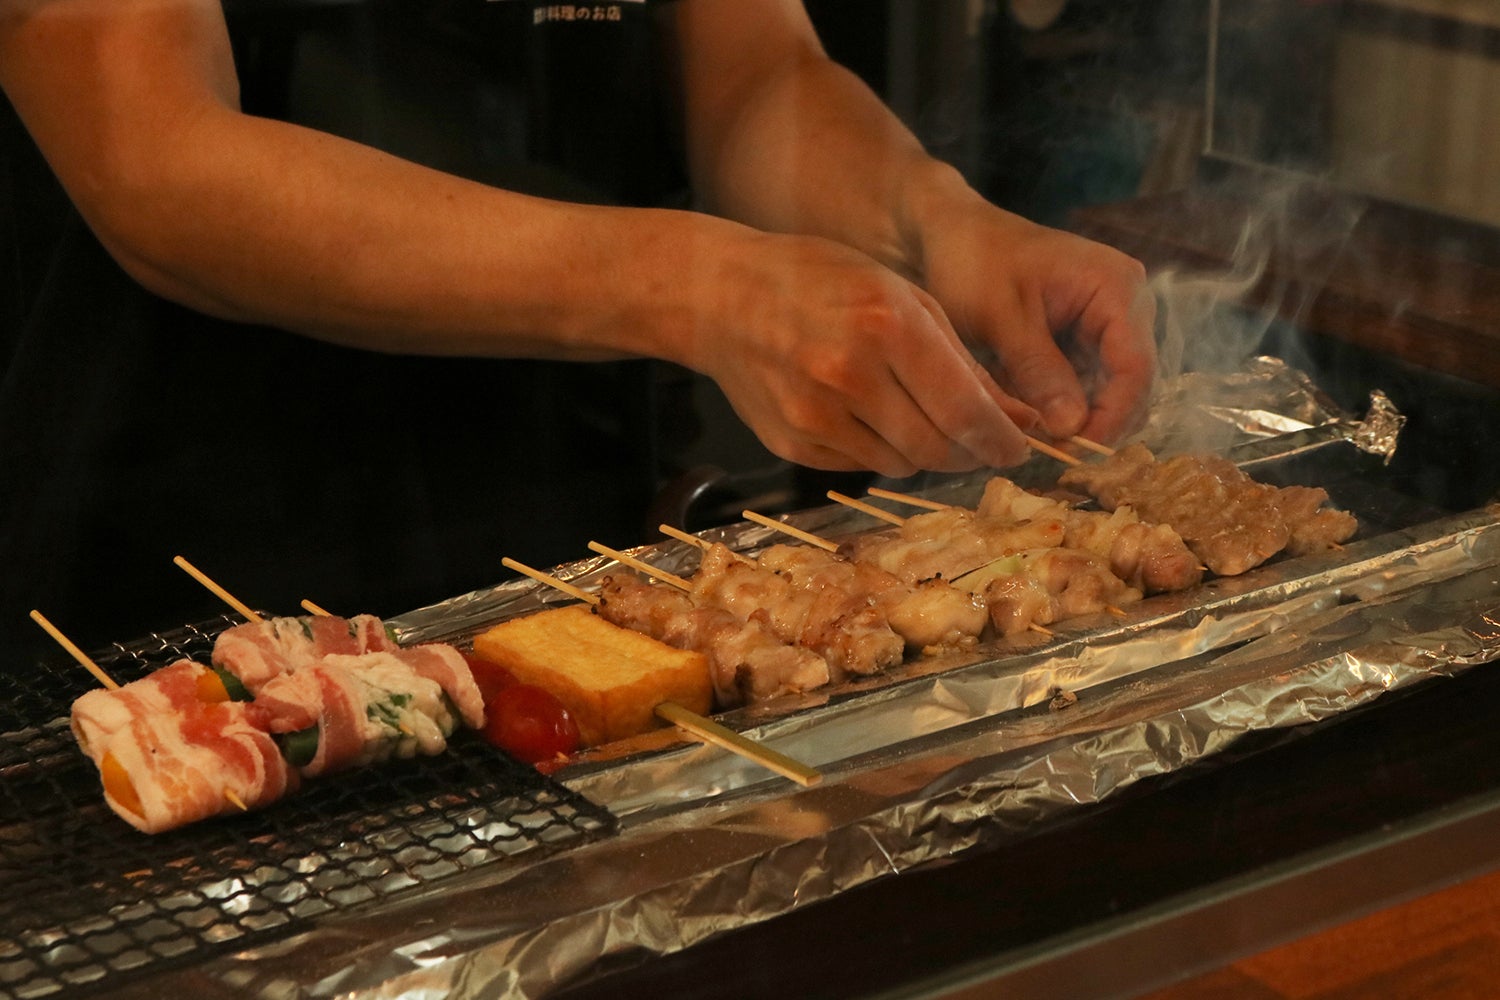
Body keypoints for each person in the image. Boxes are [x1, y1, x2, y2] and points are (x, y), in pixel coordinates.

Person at [0, 0, 1156, 663]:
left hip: (562, 552)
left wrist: (934, 217)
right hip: (175, 570)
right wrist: (694, 285)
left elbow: (755, 75)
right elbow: (152, 154)